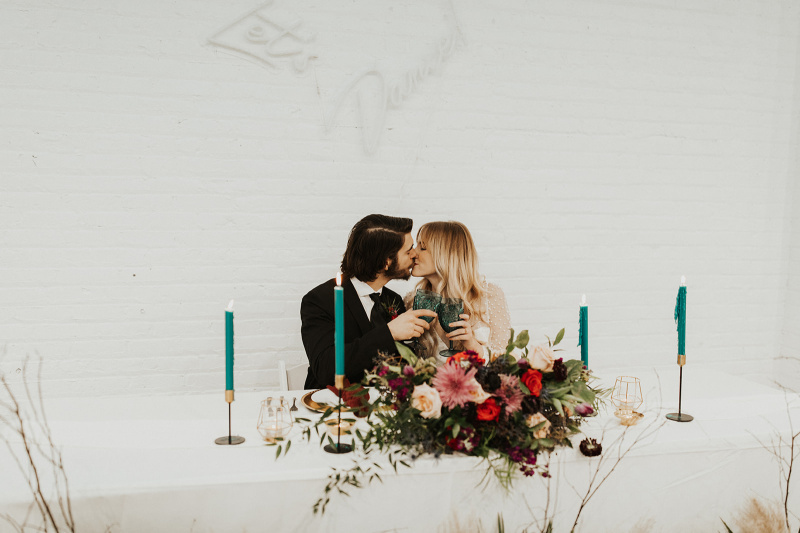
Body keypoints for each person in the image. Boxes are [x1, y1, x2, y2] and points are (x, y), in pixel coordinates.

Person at [301, 214, 437, 388]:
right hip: (332, 401)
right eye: (408, 250)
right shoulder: (319, 300)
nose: (414, 254)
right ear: (385, 262)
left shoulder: (393, 300)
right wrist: (389, 333)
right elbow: (325, 368)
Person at [405, 221, 511, 363]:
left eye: (422, 247)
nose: (413, 253)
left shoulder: (489, 296)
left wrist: (472, 345)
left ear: (446, 255)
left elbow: (506, 363)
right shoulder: (412, 301)